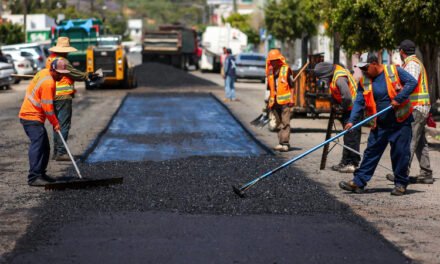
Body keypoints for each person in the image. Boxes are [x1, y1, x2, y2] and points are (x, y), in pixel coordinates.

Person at [339, 52, 418, 196]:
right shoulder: (365, 81)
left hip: (400, 122)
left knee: (400, 153)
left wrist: (399, 98)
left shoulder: (394, 71)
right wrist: (351, 121)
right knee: (371, 153)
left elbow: (412, 82)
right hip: (380, 124)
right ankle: (358, 182)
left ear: (374, 64)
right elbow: (359, 102)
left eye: (365, 68)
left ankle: (400, 184)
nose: (363, 72)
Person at [386, 40, 433, 184]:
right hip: (420, 106)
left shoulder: (412, 63)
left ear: (401, 51)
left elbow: (410, 83)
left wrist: (398, 95)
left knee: (409, 141)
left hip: (417, 107)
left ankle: (402, 174)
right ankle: (426, 173)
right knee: (419, 142)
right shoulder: (414, 62)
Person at [46, 37, 99, 161]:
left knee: (56, 124)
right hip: (63, 95)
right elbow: (74, 73)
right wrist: (88, 75)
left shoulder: (50, 59)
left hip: (52, 94)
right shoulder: (62, 61)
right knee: (63, 124)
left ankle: (56, 152)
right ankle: (61, 153)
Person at [19, 59, 70, 186]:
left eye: (63, 74)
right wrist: (55, 123)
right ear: (52, 70)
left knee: (45, 146)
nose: (61, 76)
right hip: (30, 116)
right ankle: (34, 177)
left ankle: (41, 173)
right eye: (59, 73)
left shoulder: (43, 72)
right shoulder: (49, 84)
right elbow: (48, 108)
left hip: (34, 115)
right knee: (38, 144)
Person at [314, 62, 361, 173]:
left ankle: (352, 164)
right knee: (347, 136)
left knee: (352, 137)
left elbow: (348, 97)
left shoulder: (340, 78)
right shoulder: (334, 74)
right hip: (349, 109)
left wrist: (341, 107)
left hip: (354, 109)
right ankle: (345, 161)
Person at [266, 49, 294, 152]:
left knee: (285, 122)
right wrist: (268, 99)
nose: (272, 63)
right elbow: (269, 87)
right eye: (271, 61)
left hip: (285, 101)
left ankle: (285, 143)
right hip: (274, 102)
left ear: (279, 60)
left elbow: (292, 86)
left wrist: (291, 98)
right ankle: (280, 142)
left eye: (274, 60)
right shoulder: (270, 71)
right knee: (277, 122)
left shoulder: (286, 70)